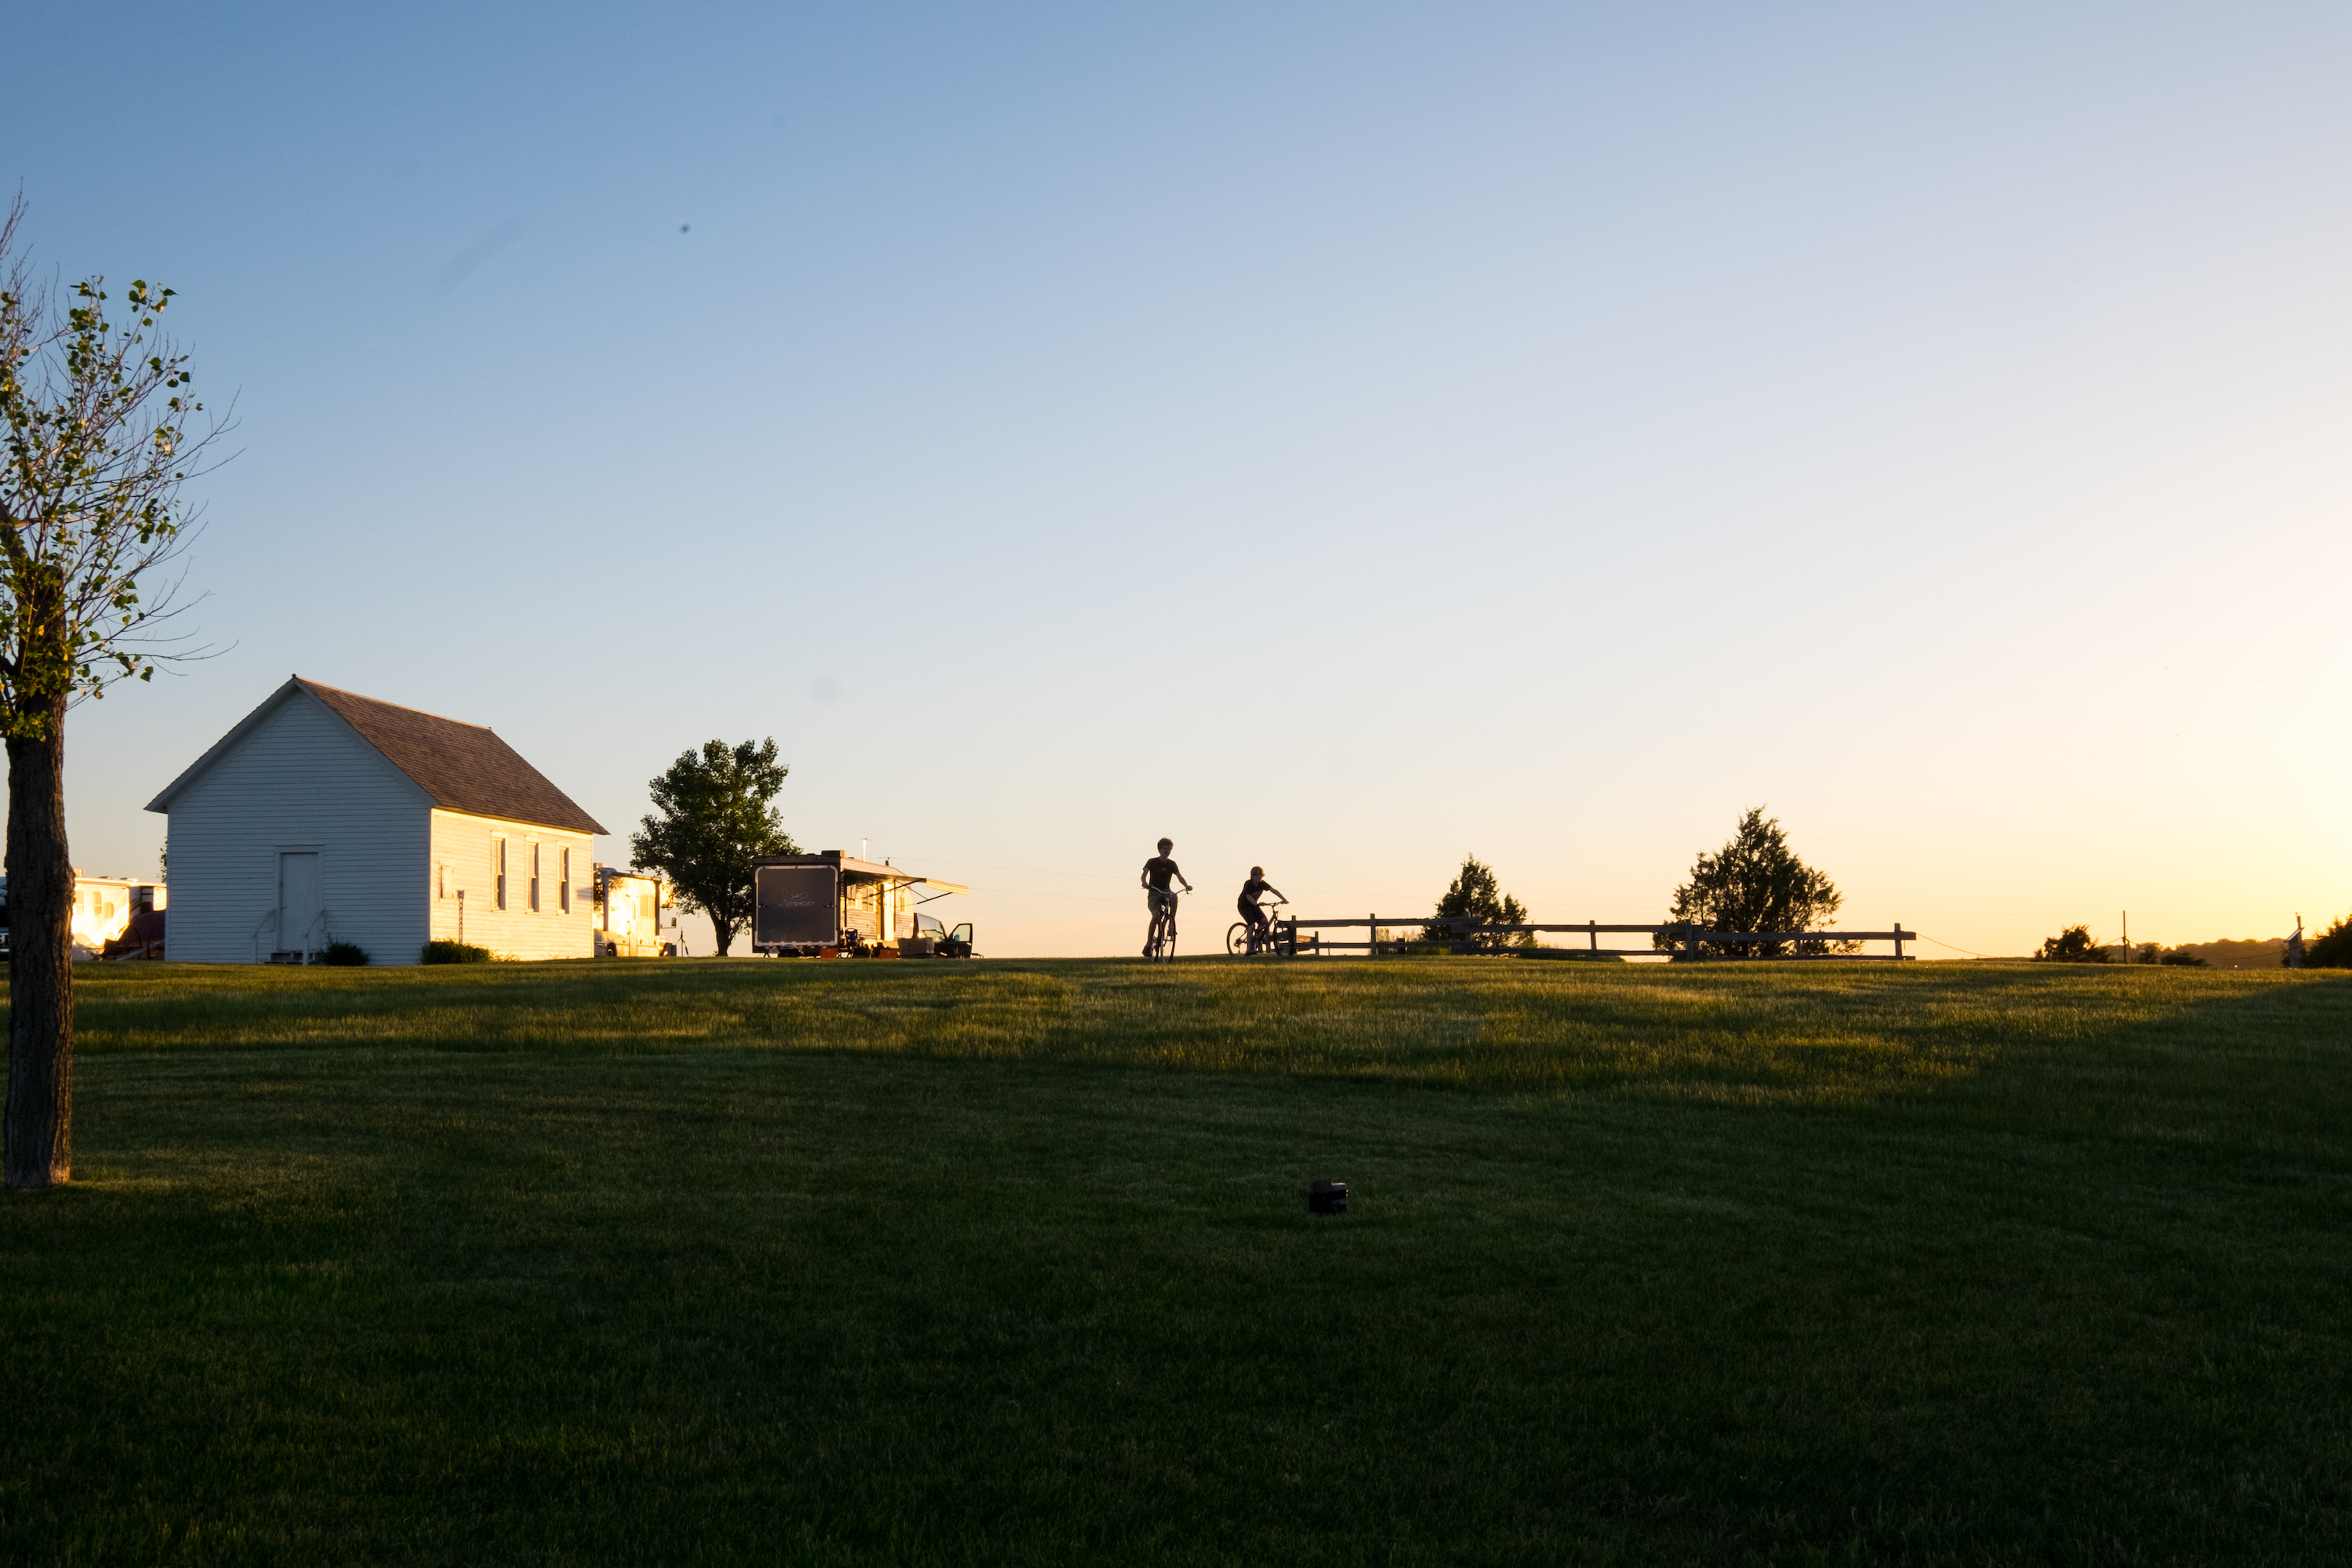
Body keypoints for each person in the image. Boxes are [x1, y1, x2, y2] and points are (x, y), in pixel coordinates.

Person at [1141, 838, 1192, 956]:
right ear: (1160, 849)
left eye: (1169, 848)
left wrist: (1186, 886)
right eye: (1165, 848)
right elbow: (1144, 874)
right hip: (1154, 892)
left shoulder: (1172, 864)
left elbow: (1179, 877)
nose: (1167, 851)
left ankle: (1171, 925)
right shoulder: (1152, 862)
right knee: (1156, 916)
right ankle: (1149, 944)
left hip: (1166, 891)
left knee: (1174, 896)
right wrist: (1144, 883)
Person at [1237, 866, 1287, 946]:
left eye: (1261, 875)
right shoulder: (1248, 884)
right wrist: (1256, 904)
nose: (1259, 877)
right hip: (1244, 906)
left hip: (1254, 905)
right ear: (1253, 876)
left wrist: (1284, 899)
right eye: (1257, 875)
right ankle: (1249, 948)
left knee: (1264, 921)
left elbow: (1273, 890)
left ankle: (1257, 937)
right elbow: (1248, 896)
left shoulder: (1262, 884)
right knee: (1252, 924)